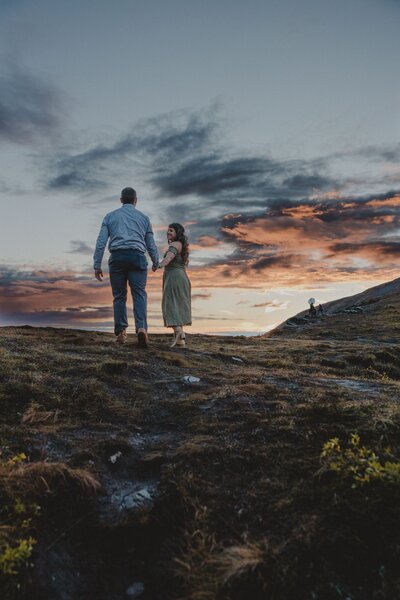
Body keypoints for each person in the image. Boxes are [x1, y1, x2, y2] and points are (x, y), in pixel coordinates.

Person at [93, 187, 159, 347]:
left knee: (119, 296)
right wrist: (155, 260)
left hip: (117, 257)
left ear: (121, 200)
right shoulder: (144, 218)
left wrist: (97, 264)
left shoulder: (110, 216)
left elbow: (101, 242)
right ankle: (142, 328)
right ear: (135, 200)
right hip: (137, 257)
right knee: (139, 294)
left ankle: (121, 333)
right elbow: (150, 243)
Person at [155, 223, 191, 347]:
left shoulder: (175, 245)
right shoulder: (182, 245)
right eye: (168, 230)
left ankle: (179, 333)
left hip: (174, 278)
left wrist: (160, 264)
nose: (168, 232)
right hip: (181, 277)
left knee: (170, 304)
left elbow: (169, 257)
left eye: (171, 230)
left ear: (177, 233)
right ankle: (180, 340)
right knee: (177, 305)